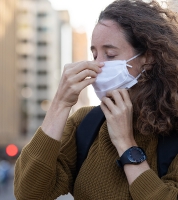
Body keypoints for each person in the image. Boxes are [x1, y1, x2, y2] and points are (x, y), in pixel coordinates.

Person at [14, 0, 178, 199]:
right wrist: (60, 104)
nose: (98, 65)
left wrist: (126, 144)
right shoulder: (85, 123)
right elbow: (28, 192)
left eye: (109, 54)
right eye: (94, 54)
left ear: (149, 57)